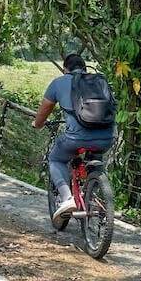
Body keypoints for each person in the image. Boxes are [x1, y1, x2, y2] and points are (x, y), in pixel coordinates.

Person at [31, 54, 115, 223]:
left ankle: (67, 198)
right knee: (95, 157)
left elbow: (43, 112)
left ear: (65, 69)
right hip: (107, 137)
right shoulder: (100, 81)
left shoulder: (58, 83)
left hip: (75, 139)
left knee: (56, 158)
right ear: (85, 68)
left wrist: (37, 124)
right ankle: (98, 195)